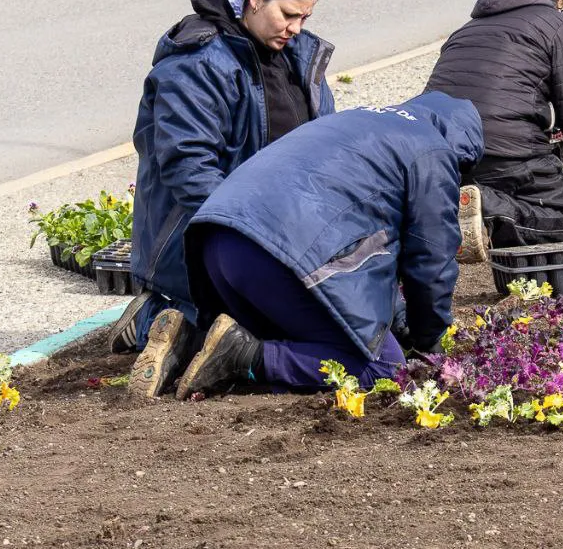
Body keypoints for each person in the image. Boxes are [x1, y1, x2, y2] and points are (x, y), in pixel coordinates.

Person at [146, 92, 482, 400]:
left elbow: (371, 249)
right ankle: (243, 357)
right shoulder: (432, 150)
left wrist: (397, 320)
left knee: (296, 337)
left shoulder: (358, 121)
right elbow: (431, 259)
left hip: (216, 242)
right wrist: (428, 341)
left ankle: (190, 345)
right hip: (277, 254)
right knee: (385, 369)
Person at [120, 0, 336, 399]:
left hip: (273, 234)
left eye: (305, 19)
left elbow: (326, 150)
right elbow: (189, 170)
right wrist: (252, 242)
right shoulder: (196, 64)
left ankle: (173, 323)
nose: (296, 29)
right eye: (289, 14)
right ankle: (154, 317)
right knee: (248, 329)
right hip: (201, 237)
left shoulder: (298, 58)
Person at [423, 0, 563, 262]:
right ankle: (488, 209)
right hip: (505, 153)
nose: (561, 6)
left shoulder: (464, 32)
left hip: (443, 154)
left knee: (475, 190)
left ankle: (447, 207)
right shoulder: (555, 26)